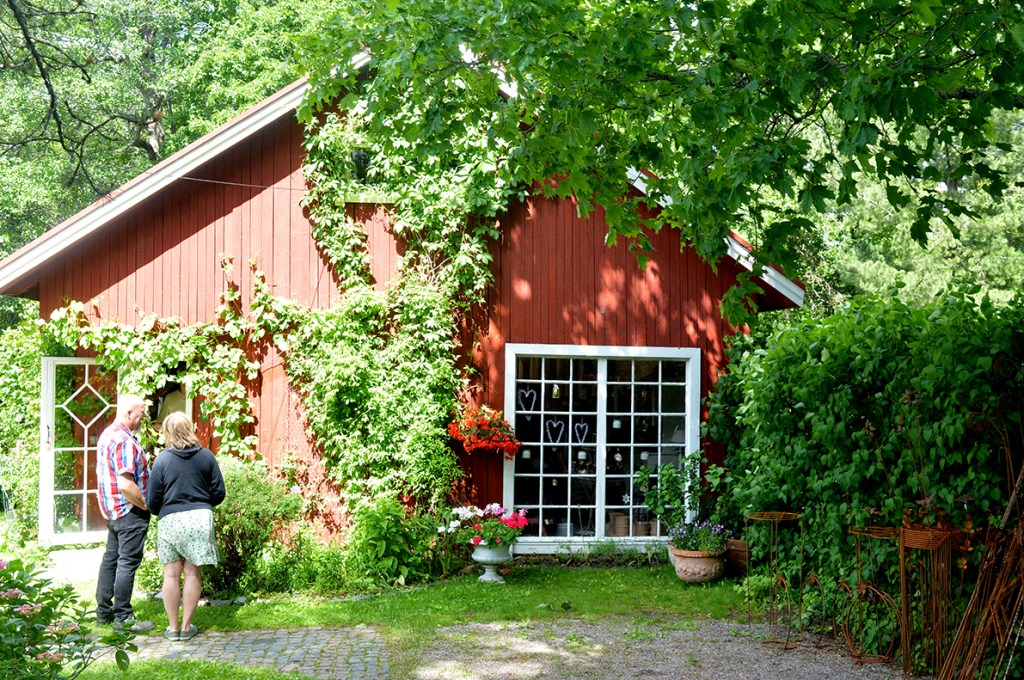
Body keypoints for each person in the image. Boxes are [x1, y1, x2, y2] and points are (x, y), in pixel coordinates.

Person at [146, 412, 226, 641]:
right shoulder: (206, 456)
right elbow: (219, 492)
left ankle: (172, 629)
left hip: (170, 519)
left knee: (171, 575)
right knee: (192, 573)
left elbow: (153, 499)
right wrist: (203, 503)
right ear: (191, 428)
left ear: (167, 432)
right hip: (199, 518)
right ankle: (186, 627)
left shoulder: (162, 460)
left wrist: (162, 510)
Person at [95, 394, 155, 632]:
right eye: (141, 414)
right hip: (129, 510)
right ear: (129, 413)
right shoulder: (125, 441)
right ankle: (124, 617)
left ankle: (103, 613)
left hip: (111, 510)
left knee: (111, 558)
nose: (143, 418)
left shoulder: (108, 434)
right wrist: (145, 504)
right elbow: (125, 483)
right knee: (127, 563)